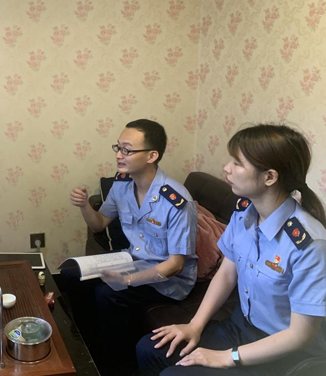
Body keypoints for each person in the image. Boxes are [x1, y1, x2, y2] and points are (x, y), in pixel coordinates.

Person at [136, 124, 326, 375]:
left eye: (237, 163)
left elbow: (300, 335)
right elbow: (227, 272)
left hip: (284, 352)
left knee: (175, 374)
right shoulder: (245, 212)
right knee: (149, 349)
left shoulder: (309, 244)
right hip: (242, 326)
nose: (226, 168)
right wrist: (194, 325)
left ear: (270, 177)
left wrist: (228, 357)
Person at [66, 119, 198, 372]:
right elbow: (99, 224)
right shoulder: (123, 185)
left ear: (152, 156)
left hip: (168, 279)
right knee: (73, 275)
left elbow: (176, 265)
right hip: (133, 260)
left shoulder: (177, 200)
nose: (119, 155)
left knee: (108, 294)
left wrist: (128, 280)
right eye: (118, 147)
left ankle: (118, 364)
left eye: (127, 150)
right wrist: (84, 206)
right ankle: (87, 344)